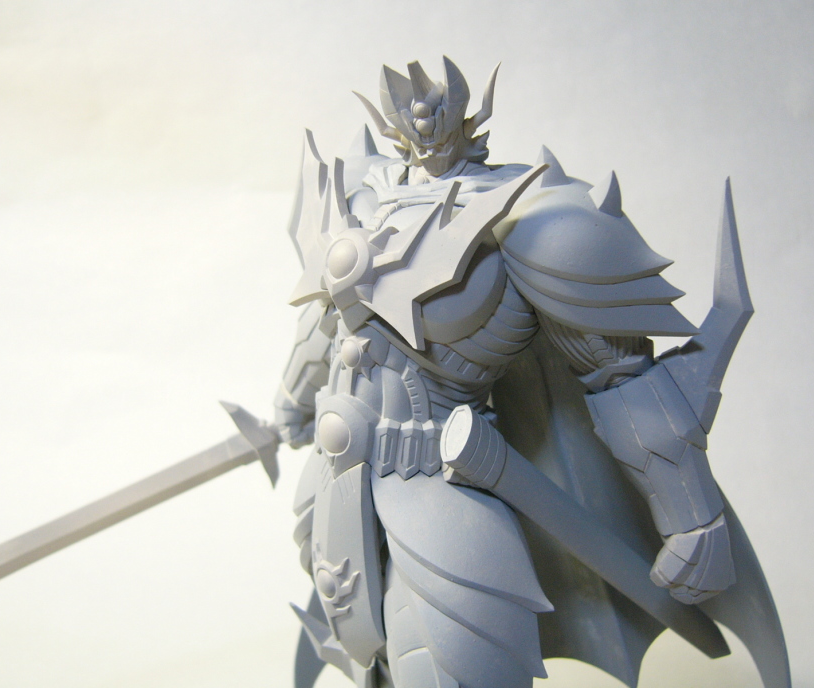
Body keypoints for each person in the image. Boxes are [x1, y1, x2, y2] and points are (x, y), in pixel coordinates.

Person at [274, 57, 785, 688]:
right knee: (362, 648)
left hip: (440, 490)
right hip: (333, 487)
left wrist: (692, 517)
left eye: (435, 106)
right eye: (407, 106)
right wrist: (291, 399)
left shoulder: (526, 219)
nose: (422, 117)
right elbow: (325, 318)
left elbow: (619, 372)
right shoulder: (362, 196)